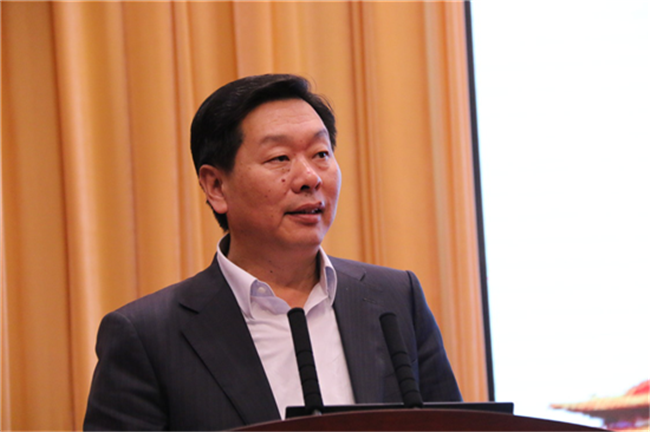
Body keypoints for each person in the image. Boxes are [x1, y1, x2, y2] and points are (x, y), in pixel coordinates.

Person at [84, 74, 461, 431]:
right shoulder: (148, 337)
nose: (310, 178)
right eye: (280, 158)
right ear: (216, 187)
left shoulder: (396, 299)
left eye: (321, 153)